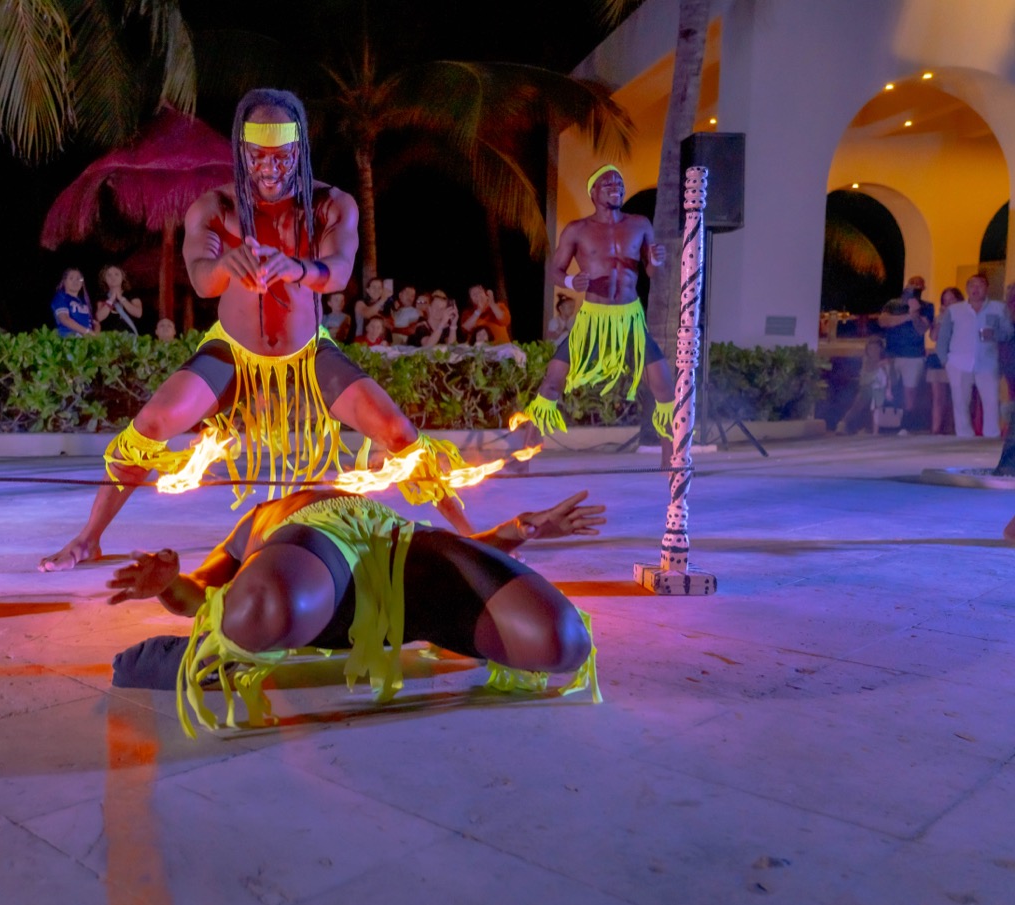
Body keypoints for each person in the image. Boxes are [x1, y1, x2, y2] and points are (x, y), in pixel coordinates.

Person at [38, 88, 474, 571]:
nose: (269, 168)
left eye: (282, 157)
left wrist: (292, 266)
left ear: (299, 150)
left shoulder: (334, 204)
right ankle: (88, 538)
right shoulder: (213, 207)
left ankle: (473, 534)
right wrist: (228, 262)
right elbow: (203, 281)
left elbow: (340, 270)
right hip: (231, 353)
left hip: (308, 354)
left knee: (396, 430)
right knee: (152, 425)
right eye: (257, 156)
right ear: (240, 151)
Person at [105, 488, 604, 735]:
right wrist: (169, 586)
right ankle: (193, 660)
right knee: (262, 607)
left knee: (560, 641)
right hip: (315, 585)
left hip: (400, 558)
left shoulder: (360, 503)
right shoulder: (253, 525)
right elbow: (201, 595)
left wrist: (524, 526)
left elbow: (463, 554)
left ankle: (234, 645)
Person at [518, 166, 672, 449]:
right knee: (552, 381)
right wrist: (570, 281)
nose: (616, 185)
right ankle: (524, 457)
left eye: (619, 181)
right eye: (608, 182)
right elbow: (555, 271)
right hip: (592, 318)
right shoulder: (578, 229)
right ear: (593, 192)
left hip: (629, 318)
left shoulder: (640, 224)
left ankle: (671, 460)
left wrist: (656, 262)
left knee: (663, 386)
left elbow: (651, 272)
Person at [937, 272, 1011, 438]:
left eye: (979, 285)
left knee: (991, 402)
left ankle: (991, 437)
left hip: (988, 362)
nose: (975, 289)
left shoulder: (999, 308)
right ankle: (964, 438)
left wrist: (995, 334)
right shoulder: (955, 310)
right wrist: (945, 361)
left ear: (987, 288)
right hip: (958, 363)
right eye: (971, 285)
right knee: (960, 403)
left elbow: (1009, 332)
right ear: (967, 289)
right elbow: (943, 337)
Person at [874, 283, 931, 431]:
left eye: (918, 285)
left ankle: (905, 426)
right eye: (911, 284)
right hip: (891, 354)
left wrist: (916, 314)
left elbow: (921, 330)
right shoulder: (892, 304)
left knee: (909, 392)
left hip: (913, 356)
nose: (913, 289)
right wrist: (909, 316)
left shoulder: (927, 306)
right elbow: (883, 321)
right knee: (888, 388)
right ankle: (885, 424)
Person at [837, 337, 896, 435]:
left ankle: (872, 428)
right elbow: (864, 380)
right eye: (870, 349)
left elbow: (891, 378)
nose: (873, 351)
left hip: (882, 391)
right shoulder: (866, 361)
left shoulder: (887, 362)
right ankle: (843, 424)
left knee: (877, 401)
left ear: (880, 349)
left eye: (876, 348)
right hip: (867, 389)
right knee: (860, 401)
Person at [926, 286, 960, 434]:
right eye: (945, 301)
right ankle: (935, 430)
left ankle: (953, 429)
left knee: (956, 396)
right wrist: (941, 320)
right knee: (937, 397)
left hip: (956, 358)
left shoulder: (964, 315)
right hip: (938, 357)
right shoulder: (940, 317)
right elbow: (933, 337)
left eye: (952, 299)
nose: (948, 303)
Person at [94, 264, 144, 335]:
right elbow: (99, 317)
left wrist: (121, 298)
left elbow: (138, 313)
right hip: (109, 337)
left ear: (122, 277)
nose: (113, 277)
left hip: (129, 336)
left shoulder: (131, 294)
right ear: (104, 279)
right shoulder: (102, 297)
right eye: (109, 275)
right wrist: (111, 299)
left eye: (116, 274)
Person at [52, 268, 97, 336]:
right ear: (64, 281)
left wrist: (95, 335)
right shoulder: (61, 297)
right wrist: (87, 332)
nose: (75, 281)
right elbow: (64, 319)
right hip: (70, 340)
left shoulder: (84, 301)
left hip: (86, 341)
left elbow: (95, 323)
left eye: (79, 279)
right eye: (71, 278)